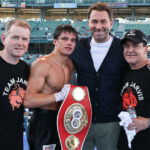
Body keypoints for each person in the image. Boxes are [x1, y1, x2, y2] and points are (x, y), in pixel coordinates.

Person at [69, 2, 128, 150]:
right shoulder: (79, 46)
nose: (99, 26)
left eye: (103, 21)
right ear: (88, 23)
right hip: (81, 121)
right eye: (94, 21)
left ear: (111, 23)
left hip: (111, 123)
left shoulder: (123, 48)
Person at [23, 24, 78, 150]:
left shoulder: (70, 64)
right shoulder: (42, 64)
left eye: (72, 40)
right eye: (64, 39)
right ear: (55, 41)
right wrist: (57, 96)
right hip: (43, 120)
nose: (69, 43)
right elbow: (28, 100)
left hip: (63, 119)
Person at [0, 19, 30, 150]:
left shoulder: (25, 69)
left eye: (24, 39)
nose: (20, 43)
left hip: (15, 142)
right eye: (15, 37)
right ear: (4, 38)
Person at [118, 29, 150, 150]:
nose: (130, 50)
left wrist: (148, 122)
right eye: (127, 46)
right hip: (125, 143)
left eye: (135, 46)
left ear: (145, 49)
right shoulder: (123, 72)